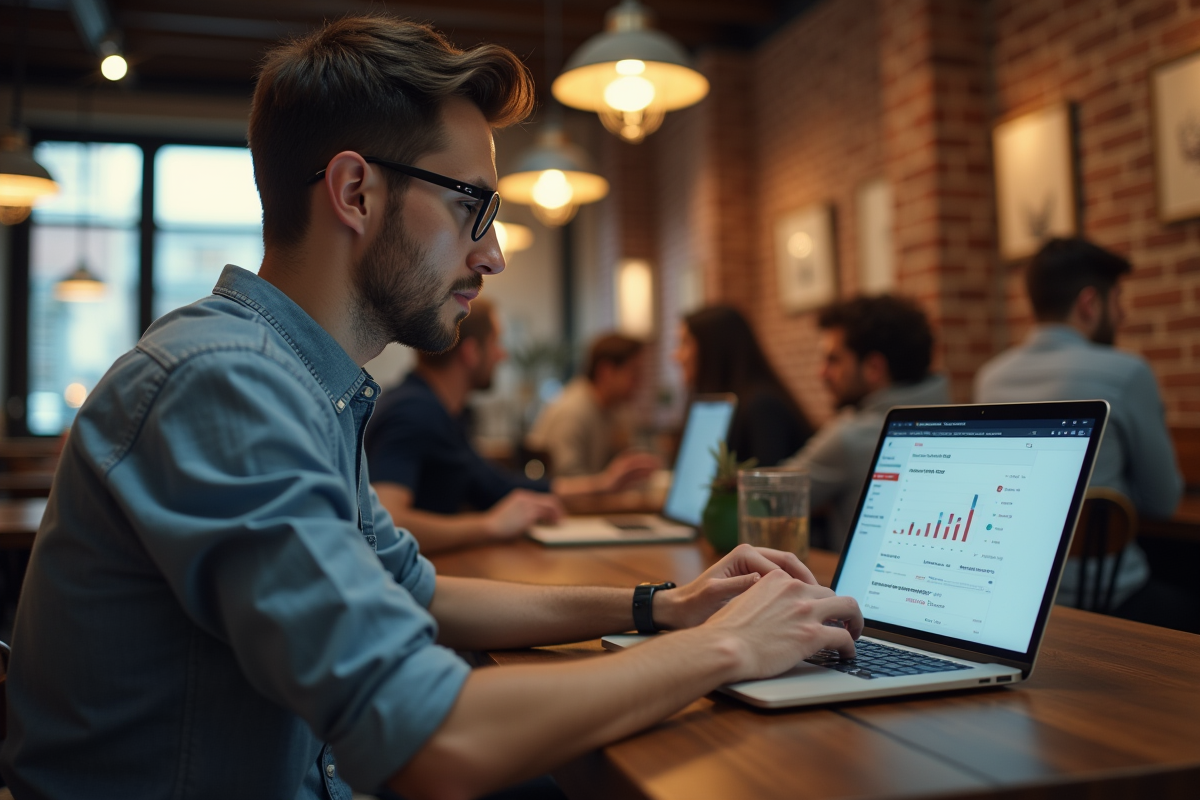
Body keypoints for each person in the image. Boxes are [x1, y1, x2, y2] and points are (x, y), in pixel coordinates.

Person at [0, 17, 864, 800]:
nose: (492, 256)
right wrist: (731, 645)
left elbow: (415, 593)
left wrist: (663, 606)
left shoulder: (300, 381)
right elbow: (431, 739)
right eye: (471, 205)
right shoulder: (224, 382)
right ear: (356, 192)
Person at [975, 237, 1185, 624]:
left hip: (1018, 603)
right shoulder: (1127, 372)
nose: (1123, 315)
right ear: (1090, 303)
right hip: (1110, 599)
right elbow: (1163, 501)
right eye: (1118, 300)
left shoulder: (990, 378)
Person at [366, 301, 659, 553]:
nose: (502, 355)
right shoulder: (414, 412)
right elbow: (388, 522)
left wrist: (602, 484)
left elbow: (497, 486)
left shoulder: (444, 412)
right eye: (496, 343)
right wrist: (488, 526)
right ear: (471, 352)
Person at [785, 295, 950, 550]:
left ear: (873, 367)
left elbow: (768, 496)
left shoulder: (851, 436)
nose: (822, 373)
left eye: (833, 360)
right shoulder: (957, 417)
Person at [675, 305, 815, 466]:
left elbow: (765, 478)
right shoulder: (715, 405)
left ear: (713, 347)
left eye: (685, 343)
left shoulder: (762, 406)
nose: (676, 355)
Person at [525, 332, 646, 477]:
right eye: (634, 373)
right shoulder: (573, 411)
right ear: (606, 372)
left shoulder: (616, 410)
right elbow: (566, 477)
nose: (640, 383)